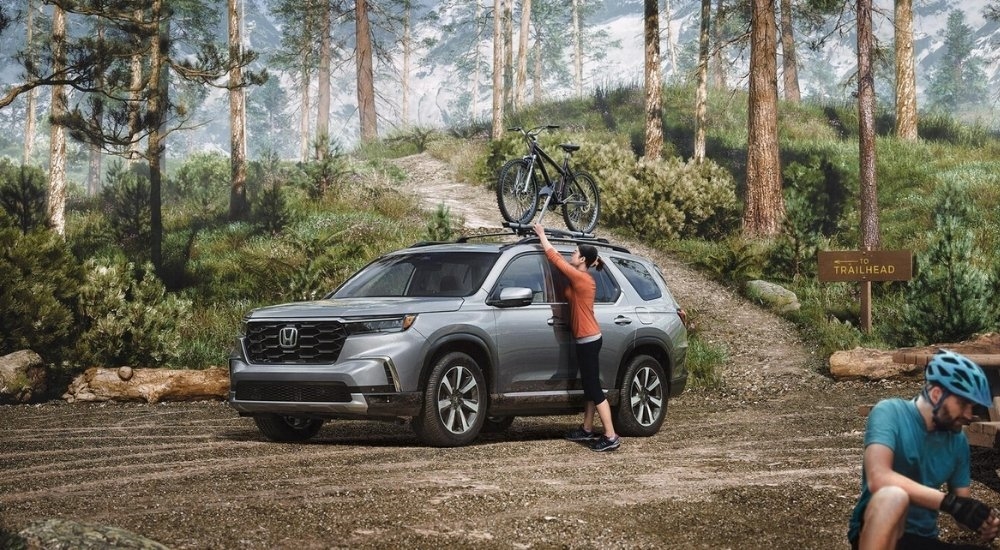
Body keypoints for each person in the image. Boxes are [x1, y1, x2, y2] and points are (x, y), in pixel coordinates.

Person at [848, 349, 1000, 549]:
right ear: (937, 394)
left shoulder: (958, 440)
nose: (968, 415)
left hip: (923, 540)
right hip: (879, 533)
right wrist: (948, 502)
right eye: (963, 404)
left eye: (973, 407)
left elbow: (960, 510)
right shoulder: (889, 412)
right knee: (893, 496)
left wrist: (980, 521)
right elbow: (879, 478)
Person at [532, 223, 620, 452]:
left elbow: (555, 259)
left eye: (574, 252)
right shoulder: (580, 276)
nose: (571, 255)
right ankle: (587, 428)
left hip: (589, 339)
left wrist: (542, 235)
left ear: (582, 260)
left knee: (594, 389)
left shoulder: (582, 278)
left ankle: (611, 436)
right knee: (589, 386)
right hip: (586, 339)